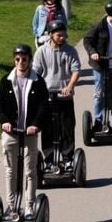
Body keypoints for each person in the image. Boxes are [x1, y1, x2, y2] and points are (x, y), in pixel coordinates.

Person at [0, 44, 51, 218]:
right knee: (11, 171)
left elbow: (44, 105)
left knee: (29, 171)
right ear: (14, 59)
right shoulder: (6, 81)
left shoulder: (37, 81)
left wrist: (35, 124)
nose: (20, 62)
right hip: (11, 134)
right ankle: (11, 206)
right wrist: (4, 121)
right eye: (17, 59)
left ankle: (29, 206)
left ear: (29, 60)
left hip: (29, 134)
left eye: (24, 59)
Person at [32, 19, 82, 172]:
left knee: (67, 128)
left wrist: (69, 86)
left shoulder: (70, 50)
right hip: (47, 96)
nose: (63, 38)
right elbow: (36, 73)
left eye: (64, 35)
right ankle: (48, 159)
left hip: (64, 96)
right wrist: (38, 90)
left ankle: (68, 159)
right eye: (59, 35)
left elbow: (76, 71)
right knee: (47, 129)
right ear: (51, 35)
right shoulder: (41, 51)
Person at [82, 0, 112, 130]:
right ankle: (98, 120)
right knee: (99, 94)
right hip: (100, 66)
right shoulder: (99, 26)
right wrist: (93, 53)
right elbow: (87, 41)